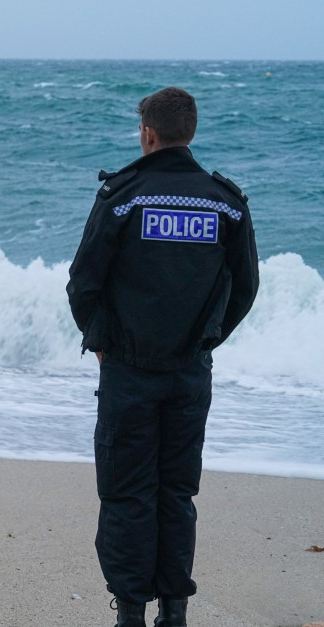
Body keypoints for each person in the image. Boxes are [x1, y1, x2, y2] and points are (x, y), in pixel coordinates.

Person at [66, 87, 259, 627]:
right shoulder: (226, 201)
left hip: (128, 371)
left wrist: (102, 343)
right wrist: (206, 342)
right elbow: (245, 288)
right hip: (188, 374)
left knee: (127, 492)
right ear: (189, 132)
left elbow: (83, 284)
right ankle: (174, 613)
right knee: (176, 492)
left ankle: (131, 611)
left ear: (147, 133)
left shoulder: (123, 196)